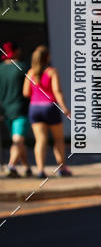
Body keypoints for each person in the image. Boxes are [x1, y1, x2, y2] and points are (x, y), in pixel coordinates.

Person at [23, 45, 72, 178]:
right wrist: (65, 108)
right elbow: (57, 91)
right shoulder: (52, 72)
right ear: (47, 57)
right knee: (58, 140)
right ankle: (62, 169)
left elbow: (26, 92)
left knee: (40, 140)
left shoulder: (30, 73)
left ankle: (40, 170)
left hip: (34, 108)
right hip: (50, 107)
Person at [0, 42, 32, 178]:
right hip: (20, 110)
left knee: (18, 140)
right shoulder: (22, 67)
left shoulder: (0, 68)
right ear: (16, 51)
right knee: (18, 140)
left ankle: (26, 167)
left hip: (5, 111)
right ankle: (11, 166)